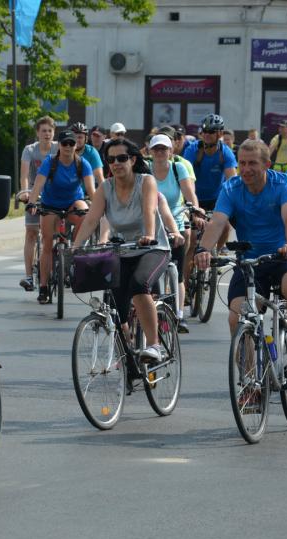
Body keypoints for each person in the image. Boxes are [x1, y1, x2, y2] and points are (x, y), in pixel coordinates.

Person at [194, 139, 287, 371]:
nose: (246, 169)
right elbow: (218, 221)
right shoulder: (231, 188)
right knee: (236, 317)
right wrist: (204, 249)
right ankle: (250, 381)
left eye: (252, 163)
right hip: (251, 259)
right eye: (242, 163)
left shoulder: (283, 183)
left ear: (267, 164)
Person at [72, 139, 175, 362]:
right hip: (122, 250)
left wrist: (149, 234)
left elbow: (149, 210)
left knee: (139, 285)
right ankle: (127, 353)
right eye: (111, 159)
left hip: (152, 248)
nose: (116, 163)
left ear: (133, 159)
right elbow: (91, 220)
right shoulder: (105, 187)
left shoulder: (146, 181)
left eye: (121, 158)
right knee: (115, 305)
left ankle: (154, 345)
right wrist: (76, 248)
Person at [26, 129, 96, 304]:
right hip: (51, 205)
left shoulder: (82, 164)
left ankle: (74, 248)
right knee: (47, 244)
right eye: (65, 143)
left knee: (85, 211)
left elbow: (91, 190)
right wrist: (32, 203)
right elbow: (38, 184)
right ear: (59, 145)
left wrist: (99, 207)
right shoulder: (50, 162)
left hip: (73, 202)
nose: (68, 146)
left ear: (76, 145)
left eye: (71, 143)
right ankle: (43, 287)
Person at [148, 133, 200, 333]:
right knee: (151, 272)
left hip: (175, 223)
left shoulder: (178, 169)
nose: (160, 152)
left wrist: (196, 211)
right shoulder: (145, 170)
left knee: (177, 272)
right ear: (151, 152)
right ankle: (155, 312)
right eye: (156, 149)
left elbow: (189, 194)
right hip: (152, 224)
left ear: (171, 151)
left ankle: (179, 315)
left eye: (164, 149)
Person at [182, 113, 237, 251]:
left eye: (211, 131)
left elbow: (232, 182)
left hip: (216, 198)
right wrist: (193, 205)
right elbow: (185, 178)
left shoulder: (226, 153)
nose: (207, 134)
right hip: (195, 197)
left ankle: (217, 253)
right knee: (192, 239)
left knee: (225, 226)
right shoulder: (192, 150)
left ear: (220, 133)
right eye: (204, 130)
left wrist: (235, 202)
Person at [17, 116, 57, 292]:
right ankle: (28, 276)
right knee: (31, 233)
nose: (47, 134)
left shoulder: (58, 148)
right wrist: (26, 192)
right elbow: (24, 175)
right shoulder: (30, 150)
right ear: (37, 133)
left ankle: (58, 267)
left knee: (54, 235)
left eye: (50, 131)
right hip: (35, 193)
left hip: (54, 194)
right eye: (43, 131)